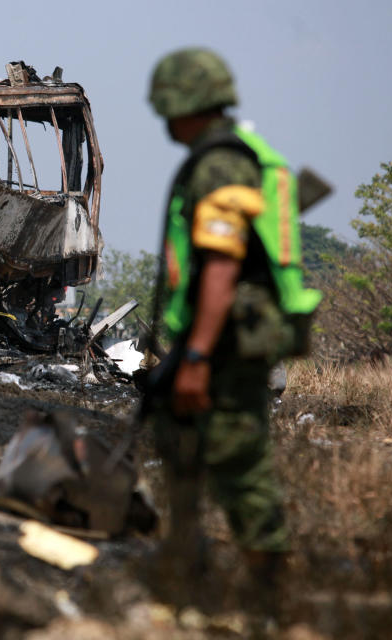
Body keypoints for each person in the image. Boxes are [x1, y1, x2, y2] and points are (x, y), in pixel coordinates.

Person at [143, 48, 321, 614]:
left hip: (224, 346)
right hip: (220, 340)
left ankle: (271, 600)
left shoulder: (220, 164)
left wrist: (194, 358)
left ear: (185, 104)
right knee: (187, 451)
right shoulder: (227, 156)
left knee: (240, 462)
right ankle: (188, 580)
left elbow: (221, 267)